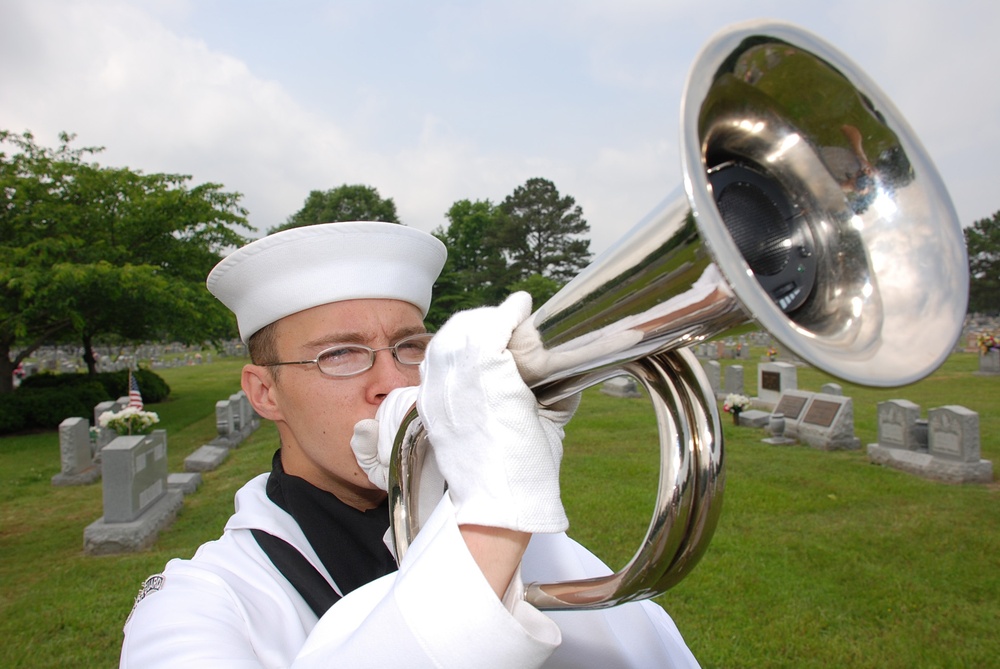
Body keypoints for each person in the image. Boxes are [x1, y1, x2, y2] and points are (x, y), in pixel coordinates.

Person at [120, 221, 699, 668]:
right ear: (265, 393)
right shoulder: (199, 601)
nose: (394, 384)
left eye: (410, 347)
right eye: (339, 355)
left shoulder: (526, 533)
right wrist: (492, 516)